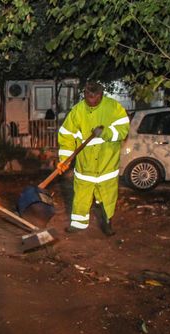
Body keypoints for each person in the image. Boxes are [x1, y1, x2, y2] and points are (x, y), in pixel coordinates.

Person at [57, 81, 130, 236]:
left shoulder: (114, 108)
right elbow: (66, 137)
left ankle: (107, 224)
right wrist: (65, 158)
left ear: (101, 95)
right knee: (81, 196)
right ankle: (78, 224)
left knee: (107, 197)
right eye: (88, 98)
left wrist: (106, 133)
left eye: (95, 99)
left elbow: (123, 130)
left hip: (107, 165)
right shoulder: (77, 112)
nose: (91, 102)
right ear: (84, 95)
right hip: (85, 166)